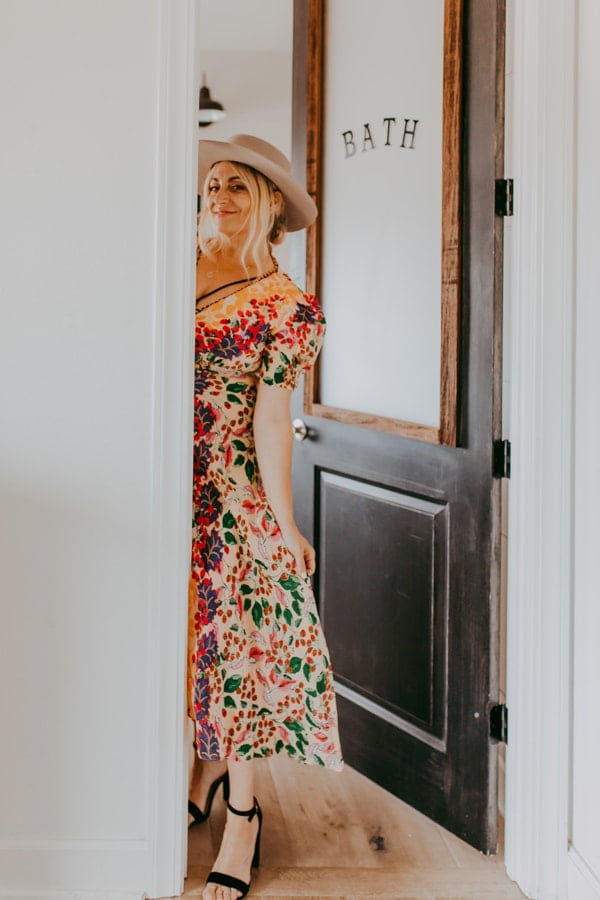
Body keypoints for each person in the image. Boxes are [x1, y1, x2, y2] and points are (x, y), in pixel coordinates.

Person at [188, 134, 343, 900]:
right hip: (160, 481)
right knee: (183, 642)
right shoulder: (170, 263)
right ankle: (201, 763)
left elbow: (271, 423)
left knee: (240, 649)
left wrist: (283, 523)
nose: (218, 195)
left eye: (238, 187)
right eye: (212, 183)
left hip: (229, 488)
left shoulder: (287, 308)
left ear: (271, 205)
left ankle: (243, 814)